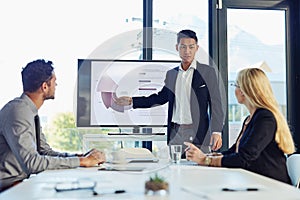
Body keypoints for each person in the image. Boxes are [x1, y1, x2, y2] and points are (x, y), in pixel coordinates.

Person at [0, 59, 106, 191]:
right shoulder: (18, 112)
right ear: (45, 86)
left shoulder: (28, 111)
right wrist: (82, 162)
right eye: (54, 81)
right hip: (7, 187)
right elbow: (32, 163)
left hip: (18, 183)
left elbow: (45, 152)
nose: (57, 85)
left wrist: (80, 157)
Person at [115, 29, 225, 153]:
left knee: (199, 170)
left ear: (197, 48)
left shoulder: (207, 72)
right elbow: (160, 98)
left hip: (199, 133)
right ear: (177, 47)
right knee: (175, 169)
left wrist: (217, 131)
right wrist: (132, 101)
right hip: (175, 133)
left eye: (191, 47)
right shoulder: (172, 74)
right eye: (183, 47)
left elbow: (216, 104)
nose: (187, 51)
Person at [185, 67, 295, 184]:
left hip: (271, 186)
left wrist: (206, 160)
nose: (235, 90)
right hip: (254, 181)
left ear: (244, 90)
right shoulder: (250, 118)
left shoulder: (265, 118)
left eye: (236, 85)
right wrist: (205, 155)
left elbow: (244, 158)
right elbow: (234, 151)